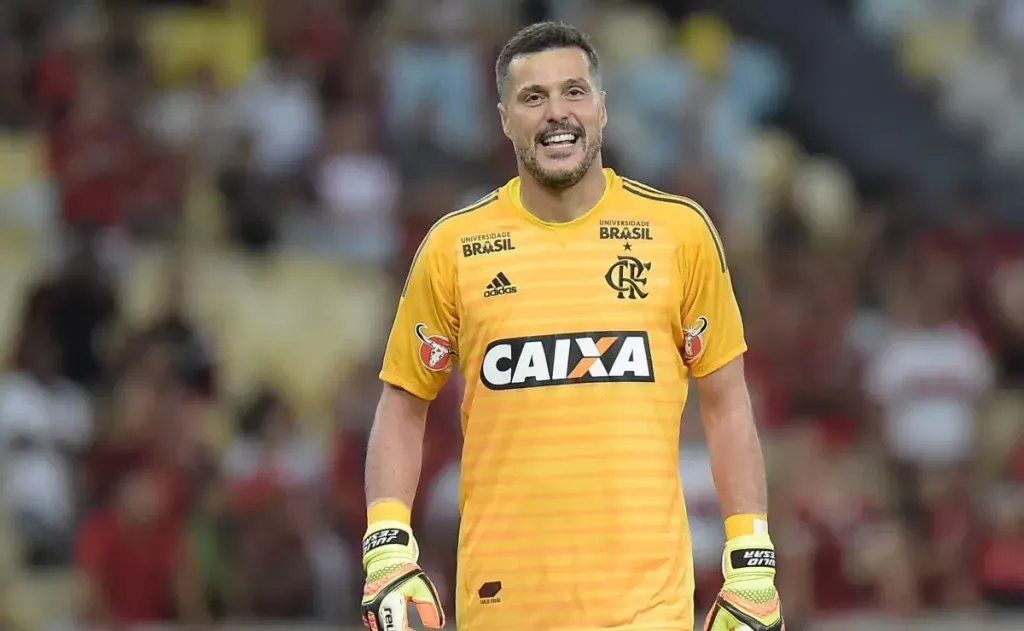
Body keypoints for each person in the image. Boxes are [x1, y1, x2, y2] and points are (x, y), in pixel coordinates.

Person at [360, 21, 784, 631]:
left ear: (604, 109)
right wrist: (387, 545)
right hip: (503, 609)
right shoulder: (454, 247)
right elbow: (403, 405)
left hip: (647, 611)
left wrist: (751, 562)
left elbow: (726, 402)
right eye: (534, 98)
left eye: (574, 92)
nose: (558, 113)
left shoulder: (679, 233)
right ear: (505, 118)